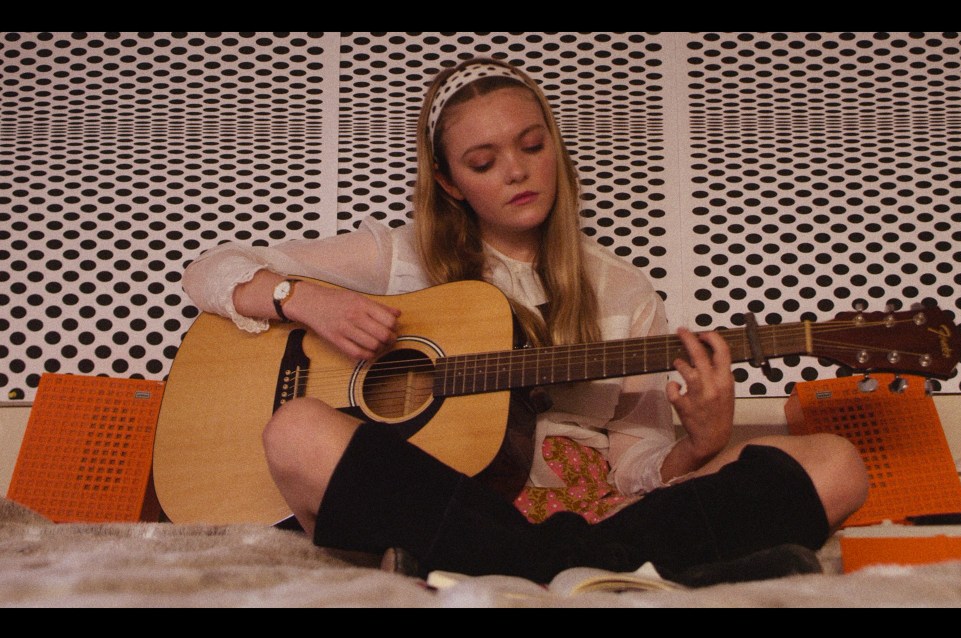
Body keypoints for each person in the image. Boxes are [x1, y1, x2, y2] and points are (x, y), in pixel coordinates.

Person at [181, 57, 869, 586]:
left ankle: (518, 571)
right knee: (297, 430)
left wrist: (699, 444)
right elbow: (208, 271)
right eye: (483, 162)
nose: (516, 171)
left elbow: (636, 467)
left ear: (556, 149)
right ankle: (598, 575)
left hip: (596, 514)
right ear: (449, 182)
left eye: (532, 146)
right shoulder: (398, 258)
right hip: (448, 503)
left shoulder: (625, 290)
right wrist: (306, 299)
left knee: (836, 464)